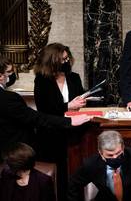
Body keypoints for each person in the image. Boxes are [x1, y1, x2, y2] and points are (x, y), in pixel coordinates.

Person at [0, 55, 90, 158]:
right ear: (0, 76)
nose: (12, 75)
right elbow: (35, 118)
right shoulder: (8, 98)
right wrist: (70, 121)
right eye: (10, 72)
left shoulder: (74, 77)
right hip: (14, 154)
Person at [33, 43, 88, 201]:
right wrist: (68, 106)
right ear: (51, 61)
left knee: (75, 172)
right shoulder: (42, 80)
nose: (65, 62)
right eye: (62, 60)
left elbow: (80, 98)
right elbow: (44, 109)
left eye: (66, 59)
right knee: (59, 175)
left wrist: (83, 101)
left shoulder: (74, 77)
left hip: (75, 132)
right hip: (51, 134)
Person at [68, 130, 131, 201]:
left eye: (118, 153)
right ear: (100, 152)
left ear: (123, 147)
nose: (115, 157)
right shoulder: (91, 164)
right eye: (110, 155)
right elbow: (73, 184)